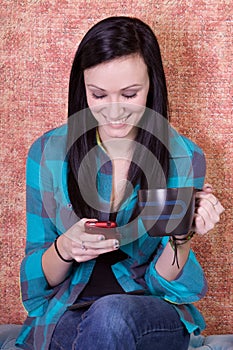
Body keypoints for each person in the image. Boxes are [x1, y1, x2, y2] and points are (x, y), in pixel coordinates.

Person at [16, 16, 224, 350]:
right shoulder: (47, 153)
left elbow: (162, 282)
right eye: (98, 95)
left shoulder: (183, 156)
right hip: (68, 312)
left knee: (110, 315)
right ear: (82, 91)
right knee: (87, 326)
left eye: (129, 94)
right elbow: (37, 283)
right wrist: (65, 249)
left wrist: (182, 237)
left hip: (149, 313)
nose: (114, 111)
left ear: (151, 85)